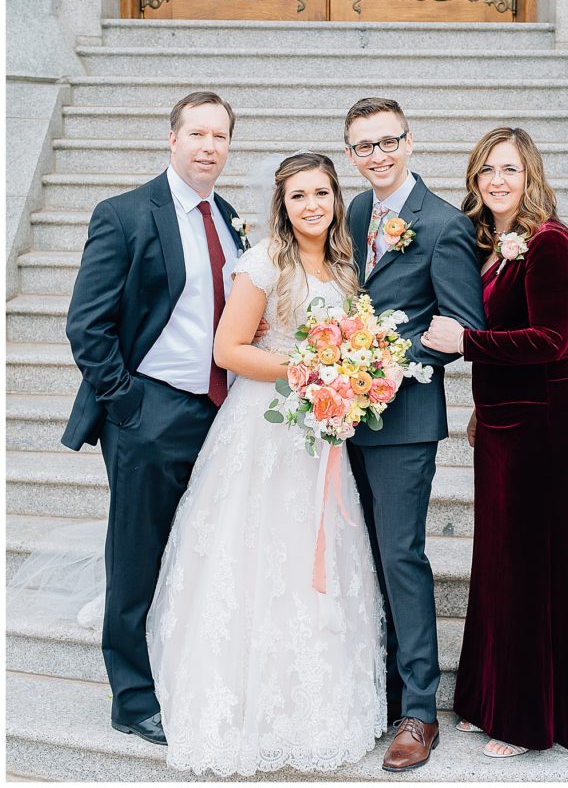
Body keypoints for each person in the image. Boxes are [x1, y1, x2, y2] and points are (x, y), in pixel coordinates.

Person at [145, 153, 385, 776]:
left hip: (319, 430)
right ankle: (244, 700)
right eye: (298, 195)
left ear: (336, 200)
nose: (312, 205)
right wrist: (312, 369)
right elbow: (229, 349)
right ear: (282, 205)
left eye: (322, 194)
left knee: (316, 552)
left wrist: (347, 374)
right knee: (256, 555)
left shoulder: (341, 266)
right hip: (263, 431)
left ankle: (315, 703)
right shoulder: (262, 264)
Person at [62, 91, 249, 746]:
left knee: (196, 555)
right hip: (150, 411)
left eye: (219, 136)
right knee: (136, 557)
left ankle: (181, 672)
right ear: (171, 138)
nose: (208, 146)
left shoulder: (228, 218)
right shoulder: (123, 214)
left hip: (218, 415)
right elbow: (87, 326)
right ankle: (132, 697)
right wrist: (130, 406)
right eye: (196, 132)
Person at [422, 127, 568, 757]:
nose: (498, 180)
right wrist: (479, 406)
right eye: (487, 170)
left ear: (531, 177)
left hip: (546, 426)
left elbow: (552, 340)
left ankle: (530, 720)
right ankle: (488, 698)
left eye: (511, 170)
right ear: (475, 179)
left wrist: (464, 345)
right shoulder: (494, 246)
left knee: (532, 569)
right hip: (502, 423)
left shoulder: (550, 243)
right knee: (498, 566)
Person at [343, 98, 485, 772]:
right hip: (339, 414)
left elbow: (459, 328)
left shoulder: (444, 224)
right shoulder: (350, 213)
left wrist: (390, 367)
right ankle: (377, 689)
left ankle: (419, 711)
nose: (376, 155)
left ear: (408, 141)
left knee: (400, 555)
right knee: (360, 557)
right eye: (362, 147)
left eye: (386, 142)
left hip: (401, 421)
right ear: (350, 154)